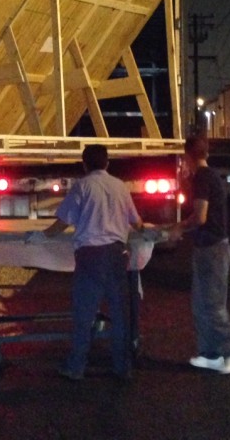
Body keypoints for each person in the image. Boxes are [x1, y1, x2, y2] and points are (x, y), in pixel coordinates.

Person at [26, 144, 143, 381]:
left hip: (91, 256)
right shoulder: (120, 186)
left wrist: (40, 236)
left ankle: (76, 366)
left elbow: (63, 222)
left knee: (84, 314)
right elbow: (137, 223)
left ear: (84, 165)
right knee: (120, 314)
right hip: (117, 255)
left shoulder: (83, 186)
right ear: (107, 163)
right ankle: (123, 367)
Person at [181, 135, 230, 374]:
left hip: (212, 249)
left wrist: (178, 228)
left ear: (187, 156)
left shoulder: (203, 177)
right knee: (200, 304)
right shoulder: (206, 176)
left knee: (211, 305)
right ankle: (210, 354)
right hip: (209, 247)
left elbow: (200, 217)